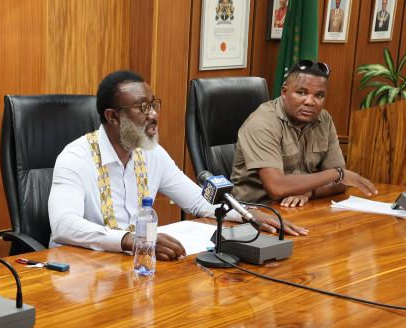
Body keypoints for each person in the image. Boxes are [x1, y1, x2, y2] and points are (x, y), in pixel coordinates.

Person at [48, 70, 307, 261]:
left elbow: (197, 201)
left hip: (141, 265)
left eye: (154, 104)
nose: (154, 115)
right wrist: (130, 241)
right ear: (113, 117)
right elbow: (63, 224)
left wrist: (247, 215)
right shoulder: (75, 158)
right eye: (142, 107)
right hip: (86, 270)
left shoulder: (151, 154)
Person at [231, 60, 377, 207]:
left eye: (319, 95)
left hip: (299, 208)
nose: (310, 102)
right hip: (255, 211)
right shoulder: (262, 123)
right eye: (301, 92)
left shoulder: (323, 119)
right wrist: (337, 174)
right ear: (284, 92)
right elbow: (276, 188)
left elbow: (340, 184)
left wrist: (308, 191)